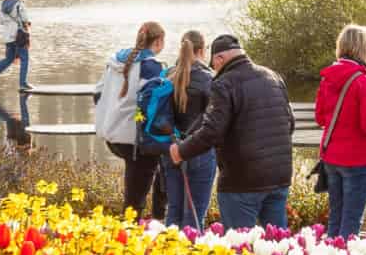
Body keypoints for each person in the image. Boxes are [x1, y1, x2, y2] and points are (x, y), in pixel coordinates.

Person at [169, 33, 294, 230]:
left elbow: (212, 132)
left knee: (239, 246)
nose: (214, 69)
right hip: (279, 176)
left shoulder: (224, 83)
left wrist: (181, 151)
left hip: (242, 180)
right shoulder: (273, 76)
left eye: (214, 64)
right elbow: (289, 124)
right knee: (276, 244)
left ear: (220, 58)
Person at [314, 24, 366, 240]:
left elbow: (320, 117)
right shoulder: (364, 81)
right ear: (365, 49)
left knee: (335, 218)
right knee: (351, 221)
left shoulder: (327, 78)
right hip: (356, 159)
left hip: (331, 157)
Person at [95, 21, 168, 217]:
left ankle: (140, 226)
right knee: (136, 200)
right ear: (159, 41)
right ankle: (142, 230)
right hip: (136, 140)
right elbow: (155, 104)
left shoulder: (114, 61)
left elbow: (98, 93)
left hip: (112, 134)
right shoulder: (151, 66)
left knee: (135, 189)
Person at [162, 30, 218, 230]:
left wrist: (175, 142)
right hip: (200, 151)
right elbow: (214, 118)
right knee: (195, 213)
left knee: (174, 209)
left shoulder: (168, 75)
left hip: (171, 149)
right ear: (202, 50)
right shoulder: (209, 78)